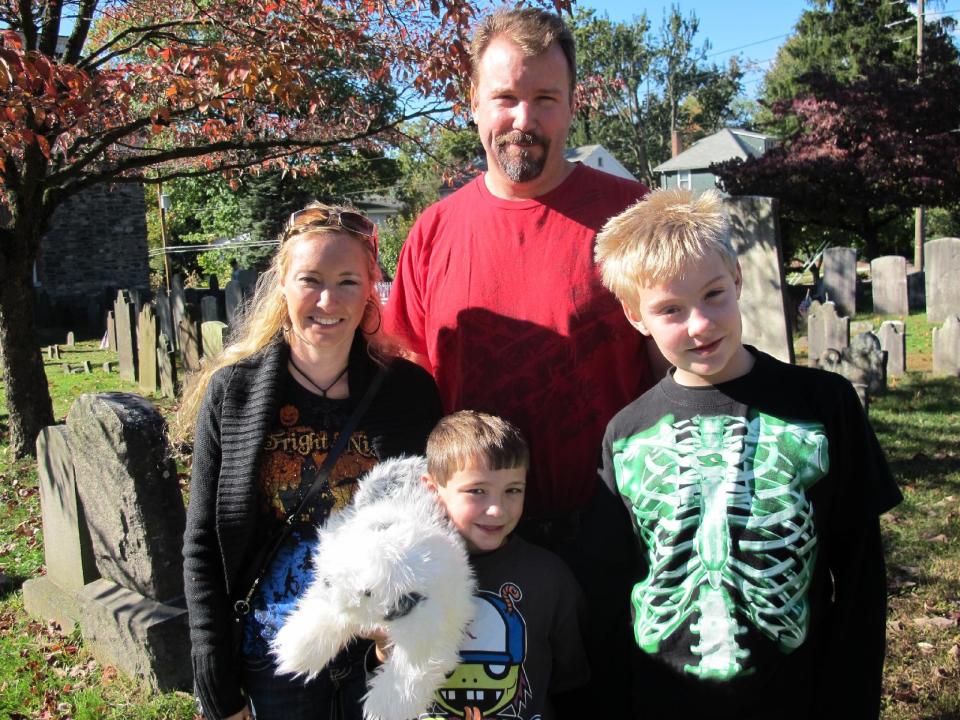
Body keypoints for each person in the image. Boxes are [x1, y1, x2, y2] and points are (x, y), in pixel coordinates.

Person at [384, 9, 653, 708]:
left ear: (572, 105)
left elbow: (678, 363)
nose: (523, 118)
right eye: (504, 97)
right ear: (472, 105)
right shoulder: (434, 233)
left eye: (545, 99)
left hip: (612, 535)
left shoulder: (630, 222)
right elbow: (404, 383)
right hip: (472, 547)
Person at [594, 188, 902, 718]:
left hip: (797, 697)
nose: (700, 324)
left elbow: (861, 578)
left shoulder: (824, 406)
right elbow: (614, 586)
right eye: (670, 309)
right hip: (663, 700)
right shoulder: (626, 433)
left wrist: (850, 697)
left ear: (737, 279)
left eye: (713, 294)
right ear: (634, 316)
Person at [178, 203, 443, 720]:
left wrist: (407, 631)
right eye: (310, 279)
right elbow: (203, 543)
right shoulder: (234, 394)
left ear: (372, 285)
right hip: (277, 656)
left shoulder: (408, 394)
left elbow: (431, 523)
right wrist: (214, 675)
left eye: (347, 281)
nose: (328, 300)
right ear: (281, 282)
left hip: (380, 655)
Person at [393, 410, 589, 719]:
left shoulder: (549, 577)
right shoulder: (402, 573)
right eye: (477, 491)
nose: (497, 510)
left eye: (512, 490)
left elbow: (572, 683)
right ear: (432, 490)